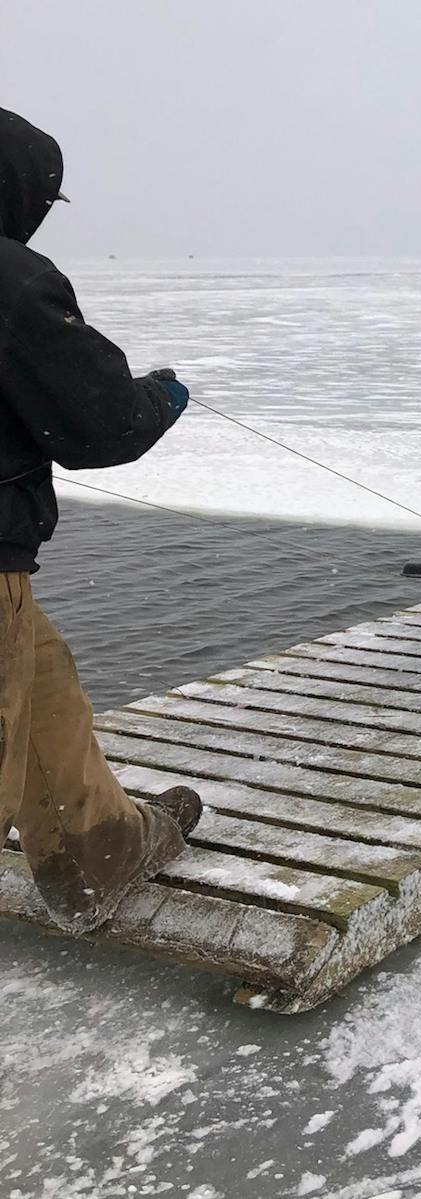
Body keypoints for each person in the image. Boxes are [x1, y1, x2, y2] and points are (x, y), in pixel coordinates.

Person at [1, 107, 202, 935]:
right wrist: (161, 396)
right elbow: (100, 423)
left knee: (44, 680)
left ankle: (99, 845)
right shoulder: (11, 280)